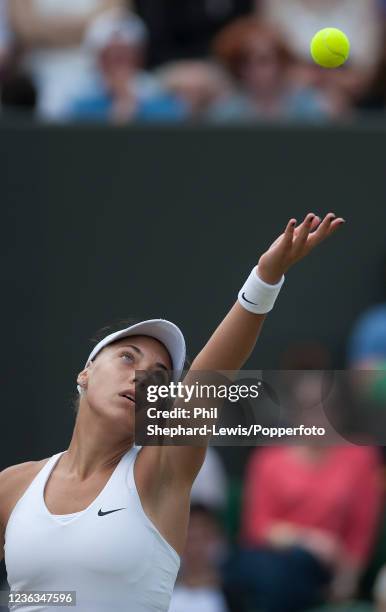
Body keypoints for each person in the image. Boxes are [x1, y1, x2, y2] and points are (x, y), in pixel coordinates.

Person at [0, 211, 345, 611]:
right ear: (86, 373)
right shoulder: (12, 486)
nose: (141, 377)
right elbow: (34, 593)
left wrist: (264, 279)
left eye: (159, 375)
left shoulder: (159, 472)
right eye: (128, 358)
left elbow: (210, 378)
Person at [8, 0, 125, 119]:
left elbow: (115, 15)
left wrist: (46, 28)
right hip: (37, 75)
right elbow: (27, 29)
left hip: (96, 76)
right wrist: (87, 27)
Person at [69, 9, 186, 123]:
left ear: (139, 56)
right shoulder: (80, 96)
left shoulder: (155, 92)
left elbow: (171, 117)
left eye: (125, 55)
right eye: (111, 56)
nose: (118, 65)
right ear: (99, 59)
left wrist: (131, 103)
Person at [211, 17, 333, 122]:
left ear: (281, 62)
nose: (252, 69)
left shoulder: (309, 108)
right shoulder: (226, 114)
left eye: (263, 60)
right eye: (244, 63)